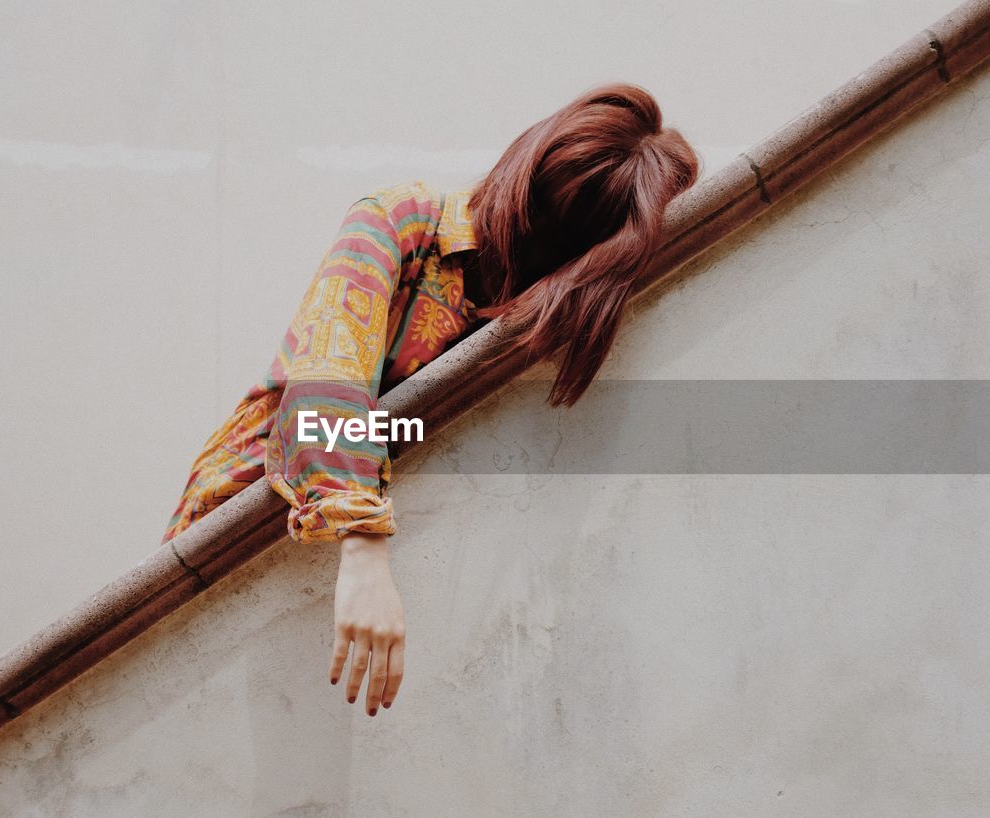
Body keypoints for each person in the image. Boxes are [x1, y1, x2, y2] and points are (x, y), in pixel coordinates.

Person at [161, 82, 700, 717]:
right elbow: (326, 383)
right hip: (258, 502)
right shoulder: (403, 220)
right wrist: (362, 550)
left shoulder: (557, 307)